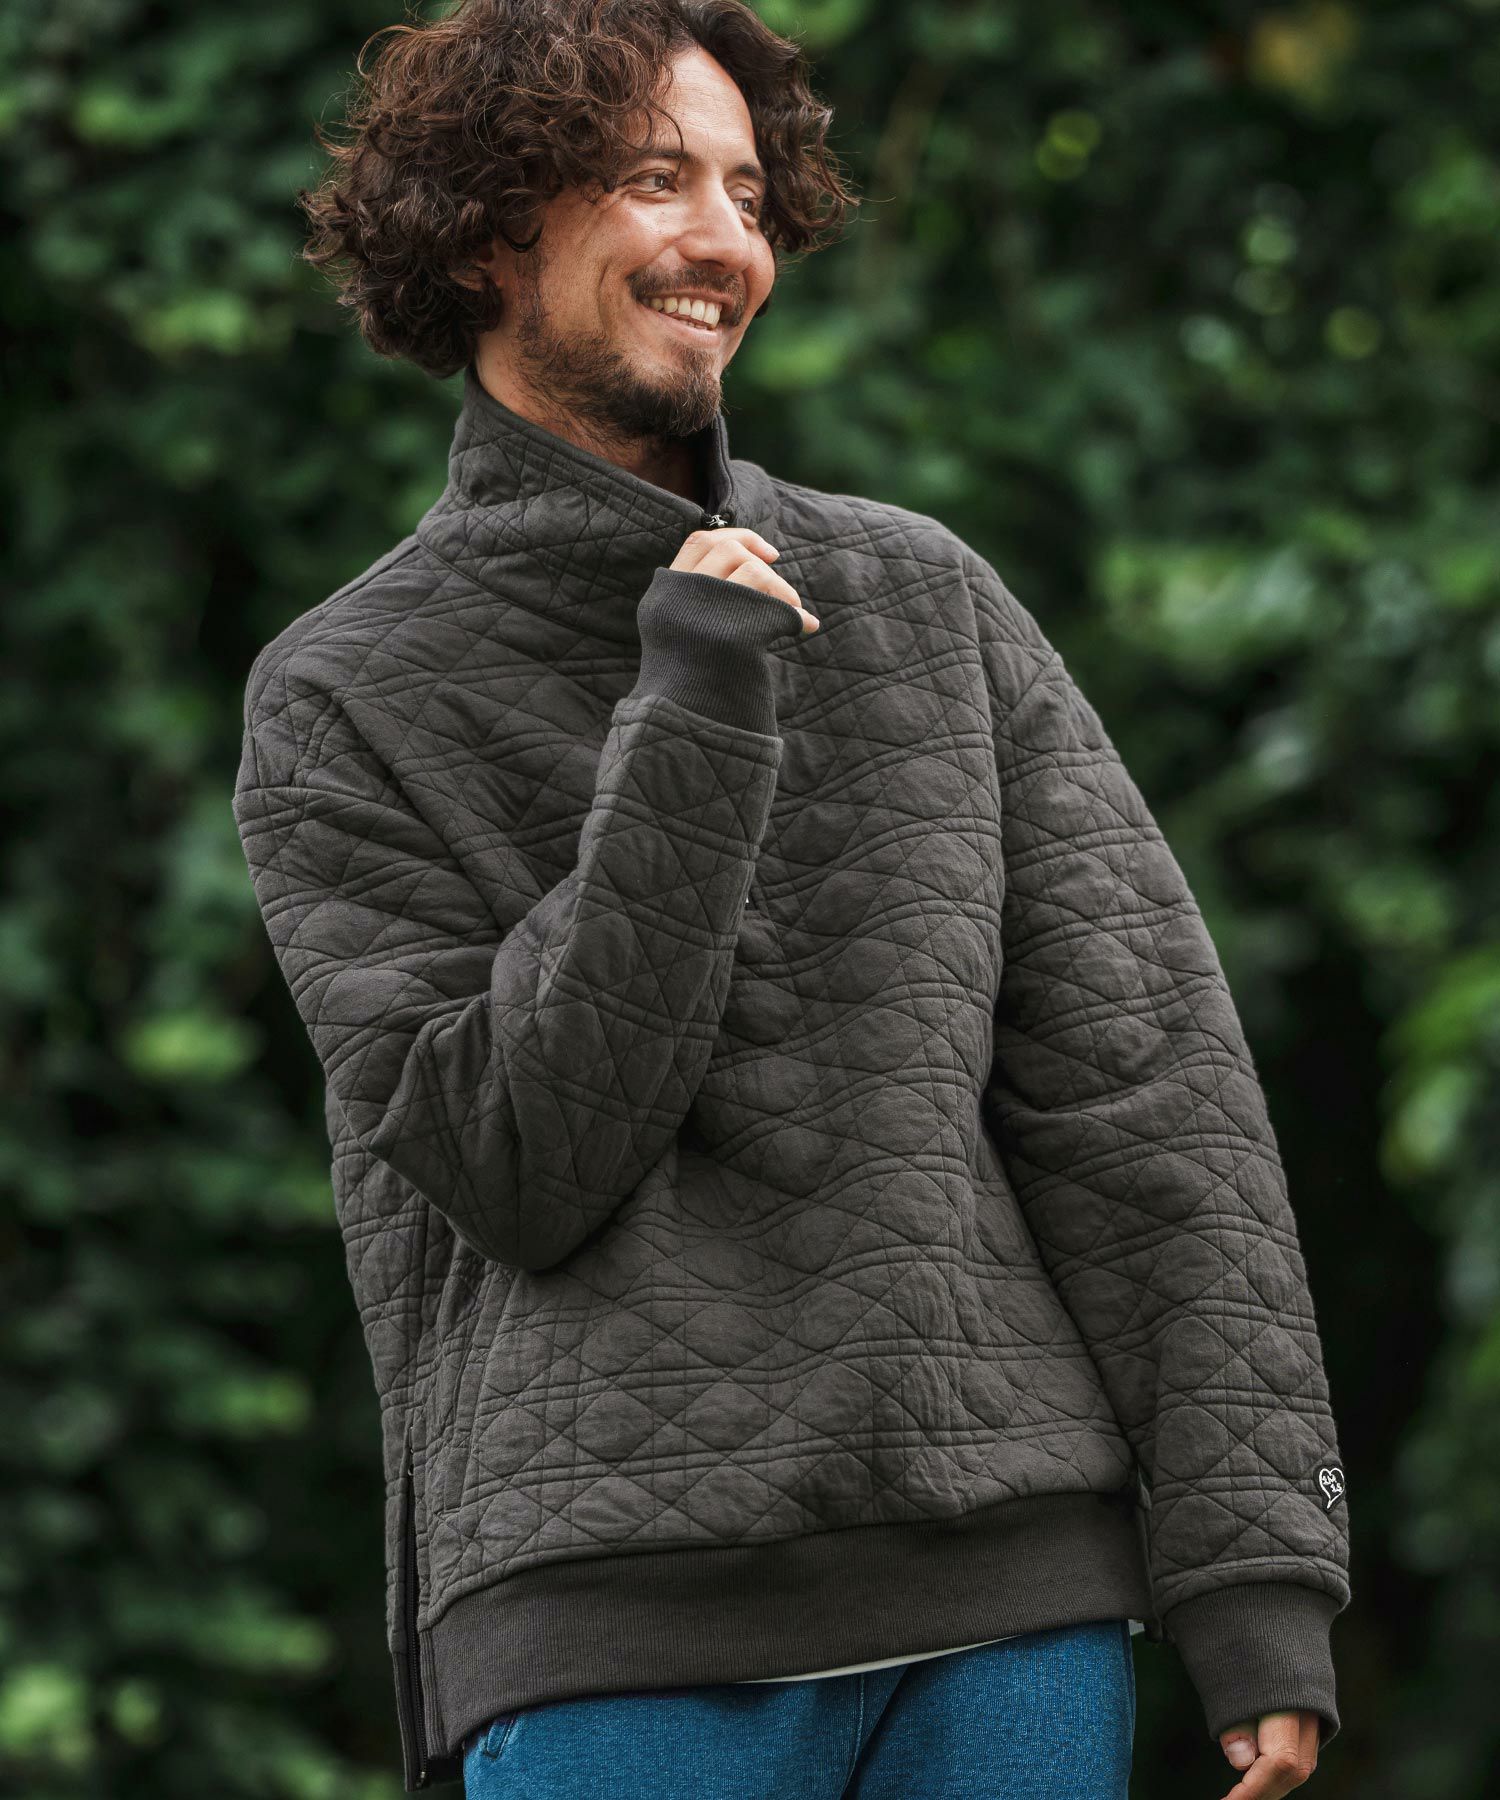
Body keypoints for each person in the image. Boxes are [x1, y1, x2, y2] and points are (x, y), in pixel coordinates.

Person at [231, 2, 1350, 1795]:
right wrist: (693, 703)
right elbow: (519, 1157)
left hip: (1013, 1610)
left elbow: (1148, 1097)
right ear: (489, 230)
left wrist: (1255, 1573)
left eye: (749, 193)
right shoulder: (345, 692)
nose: (725, 241)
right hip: (614, 1631)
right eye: (655, 180)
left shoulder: (926, 599)